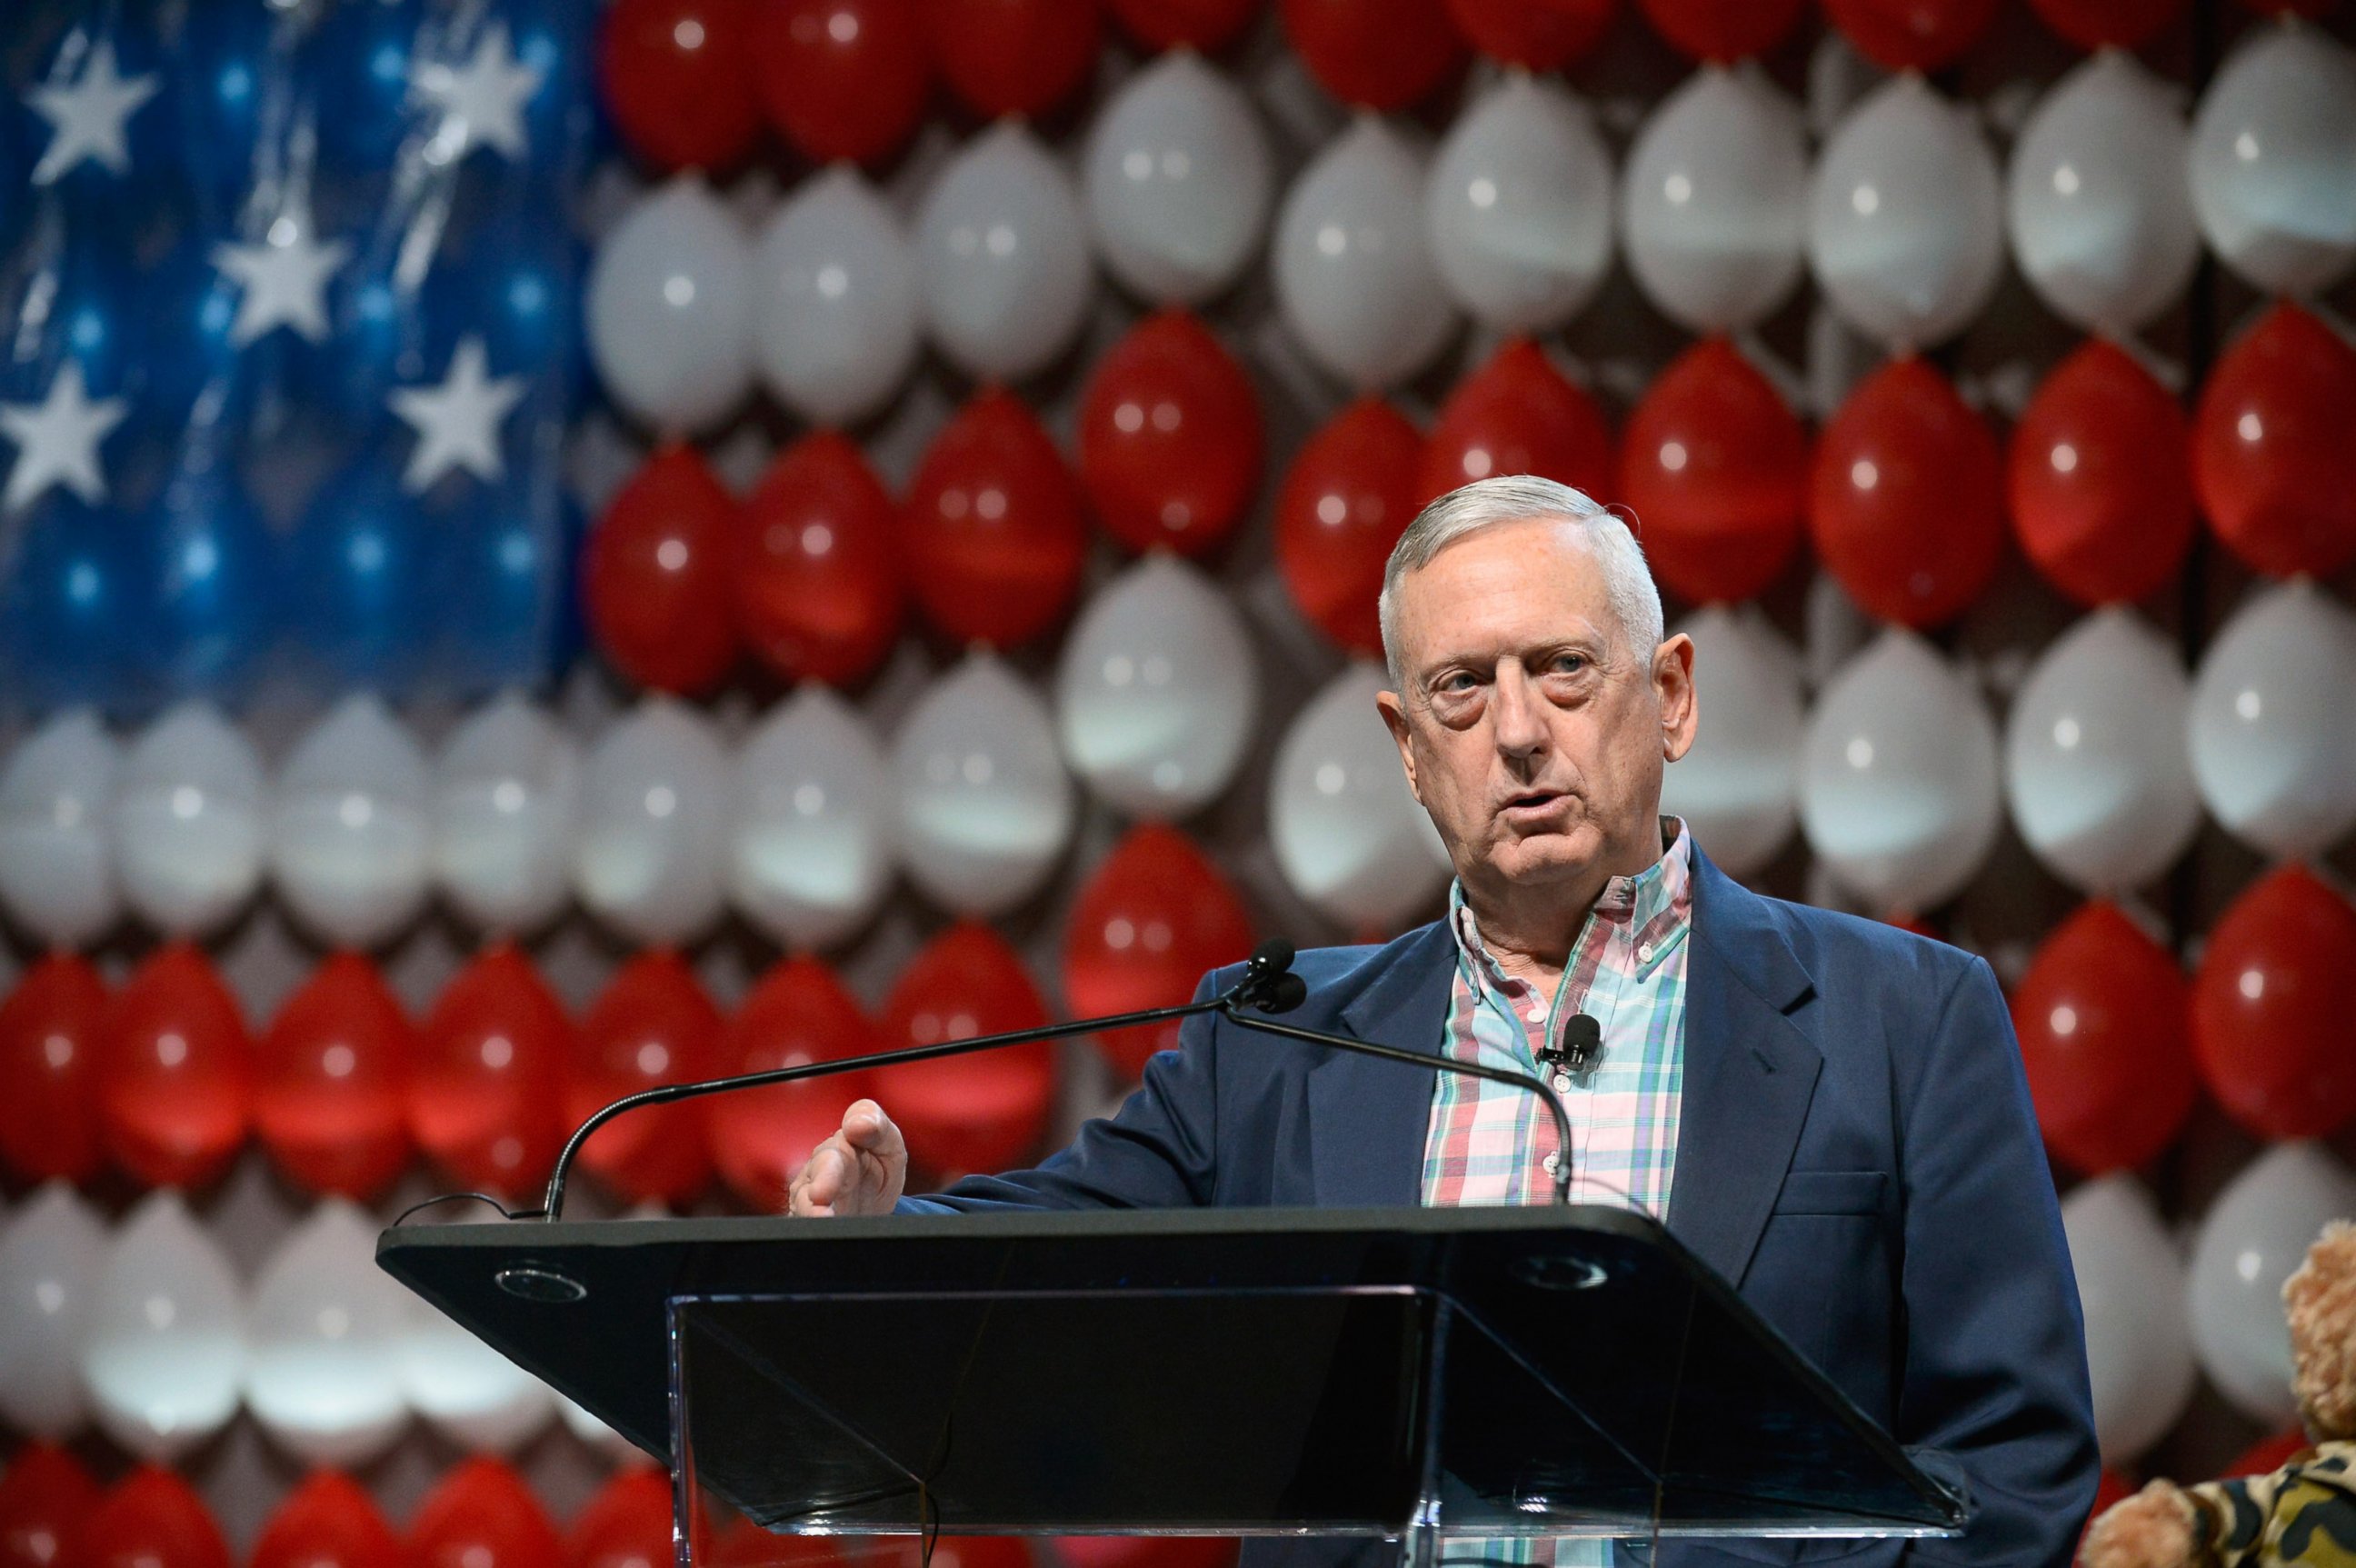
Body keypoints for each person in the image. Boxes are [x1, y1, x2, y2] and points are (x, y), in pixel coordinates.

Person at [791, 475, 2099, 1568]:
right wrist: (871, 1244)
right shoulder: (1283, 1042)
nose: (1520, 731)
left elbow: (2015, 1476)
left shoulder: (1906, 1020)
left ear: (1676, 694)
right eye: (1463, 688)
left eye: (1565, 670)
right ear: (1410, 748)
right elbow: (1060, 1259)